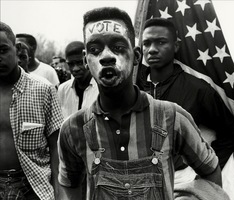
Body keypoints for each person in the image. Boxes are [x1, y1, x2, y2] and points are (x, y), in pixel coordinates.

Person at [57, 7, 222, 200]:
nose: (107, 56)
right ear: (86, 60)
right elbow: (69, 185)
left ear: (136, 56)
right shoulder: (73, 128)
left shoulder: (172, 117)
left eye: (118, 47)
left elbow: (210, 170)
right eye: (95, 50)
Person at [137, 18, 234, 185]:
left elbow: (231, 133)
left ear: (176, 45)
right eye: (147, 43)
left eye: (161, 42)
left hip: (179, 180)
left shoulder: (198, 90)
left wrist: (205, 172)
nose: (152, 49)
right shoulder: (132, 87)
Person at [0, 21, 63, 199]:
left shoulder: (43, 90)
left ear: (16, 49)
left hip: (33, 188)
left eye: (3, 50)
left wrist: (59, 193)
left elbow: (56, 150)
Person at [57, 41, 98, 120]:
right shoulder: (63, 89)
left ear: (88, 60)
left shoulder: (101, 88)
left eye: (79, 63)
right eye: (71, 64)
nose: (75, 69)